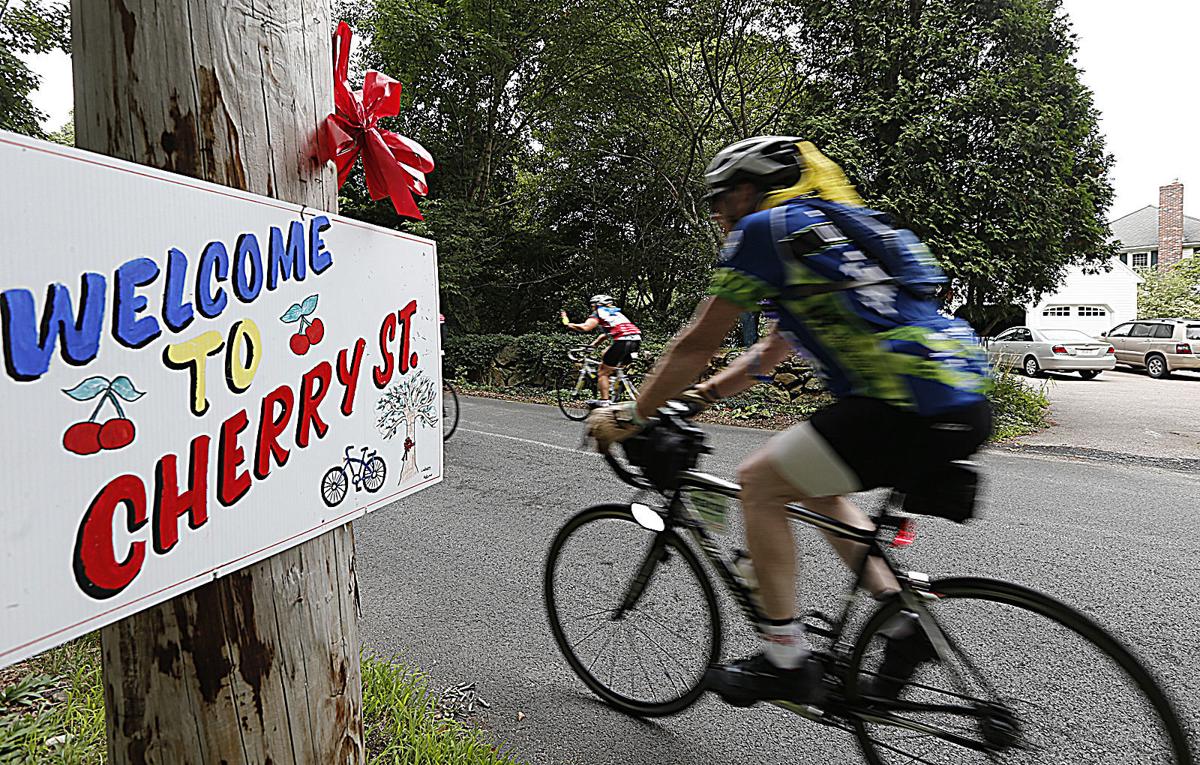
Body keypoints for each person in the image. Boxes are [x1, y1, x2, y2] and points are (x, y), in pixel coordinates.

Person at [587, 137, 993, 707]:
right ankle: (904, 622)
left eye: (719, 201)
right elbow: (769, 352)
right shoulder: (821, 232)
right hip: (961, 395)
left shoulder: (764, 230)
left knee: (760, 483)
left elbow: (696, 344)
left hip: (901, 402)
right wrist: (698, 400)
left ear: (747, 191)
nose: (717, 216)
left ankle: (784, 657)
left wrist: (632, 414)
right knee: (816, 489)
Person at [561, 295, 642, 404]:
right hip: (635, 341)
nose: (592, 308)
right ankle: (615, 392)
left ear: (596, 305)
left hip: (622, 341)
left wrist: (570, 325)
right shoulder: (616, 313)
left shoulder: (599, 312)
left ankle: (605, 401)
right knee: (607, 356)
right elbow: (603, 336)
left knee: (602, 372)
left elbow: (586, 327)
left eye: (592, 305)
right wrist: (592, 346)